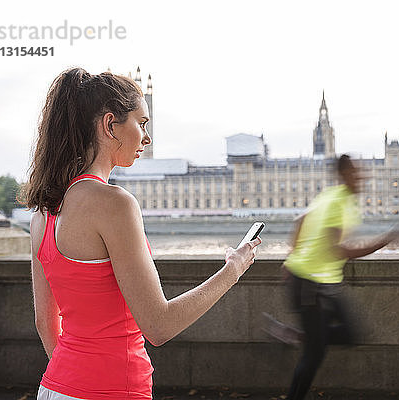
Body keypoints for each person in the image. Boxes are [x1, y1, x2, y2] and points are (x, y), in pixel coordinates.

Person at [22, 67, 261, 400]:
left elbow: (45, 323)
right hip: (114, 390)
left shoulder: (42, 213)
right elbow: (159, 325)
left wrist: (74, 379)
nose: (146, 139)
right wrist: (232, 270)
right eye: (142, 123)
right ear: (109, 125)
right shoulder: (114, 203)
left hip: (55, 386)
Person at [263, 154, 399, 400]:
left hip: (323, 281)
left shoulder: (333, 196)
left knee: (351, 334)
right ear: (344, 174)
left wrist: (292, 254)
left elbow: (300, 220)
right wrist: (385, 241)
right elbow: (339, 250)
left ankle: (294, 335)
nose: (362, 177)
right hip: (308, 283)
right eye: (356, 172)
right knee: (314, 354)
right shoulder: (336, 203)